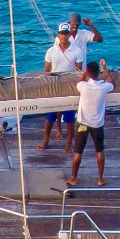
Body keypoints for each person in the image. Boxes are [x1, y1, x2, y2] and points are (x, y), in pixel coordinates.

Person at [67, 60, 116, 188]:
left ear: (88, 72)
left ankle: (74, 178)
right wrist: (105, 69)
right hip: (97, 124)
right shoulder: (104, 87)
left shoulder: (83, 86)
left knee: (78, 151)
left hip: (83, 123)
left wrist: (84, 72)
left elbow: (79, 81)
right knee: (99, 150)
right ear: (98, 73)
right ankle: (100, 179)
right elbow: (111, 82)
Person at [39, 23, 83, 151]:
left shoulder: (77, 51)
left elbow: (78, 71)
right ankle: (45, 140)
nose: (64, 36)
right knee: (50, 116)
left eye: (66, 34)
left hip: (69, 86)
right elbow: (46, 71)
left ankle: (69, 142)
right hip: (54, 86)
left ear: (69, 35)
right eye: (61, 34)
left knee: (69, 118)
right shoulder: (51, 51)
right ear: (58, 35)